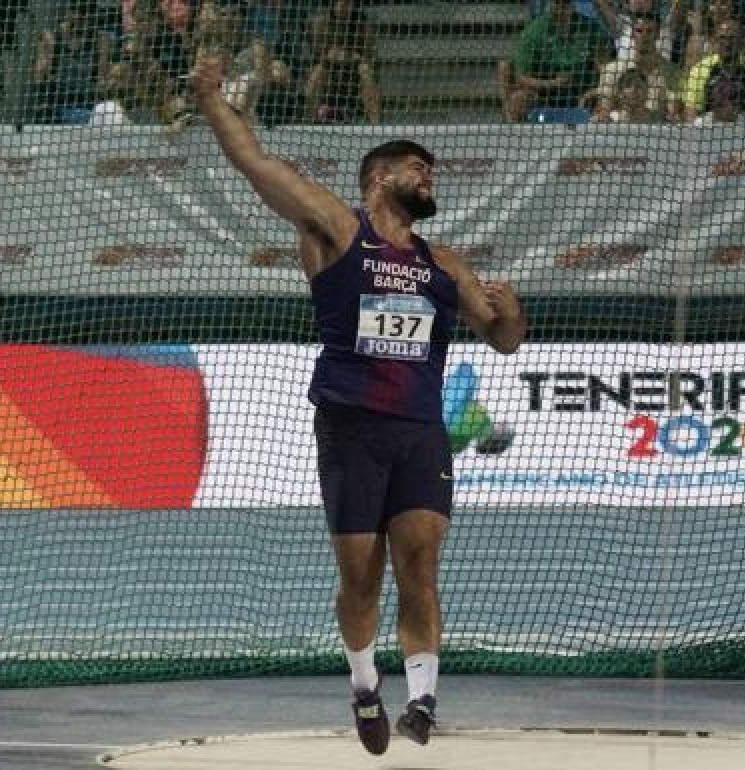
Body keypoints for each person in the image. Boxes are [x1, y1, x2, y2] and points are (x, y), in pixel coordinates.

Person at [191, 51, 528, 755]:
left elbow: (503, 341)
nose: (429, 179)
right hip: (349, 427)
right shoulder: (340, 231)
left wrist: (512, 313)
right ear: (381, 179)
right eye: (418, 170)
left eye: (432, 173)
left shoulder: (446, 265)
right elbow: (254, 162)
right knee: (360, 581)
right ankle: (364, 687)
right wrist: (209, 96)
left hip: (418, 432)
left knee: (420, 561)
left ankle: (425, 702)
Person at [498, 0, 613, 122]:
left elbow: (604, 66)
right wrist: (554, 83)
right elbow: (522, 78)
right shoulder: (535, 31)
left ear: (572, 5)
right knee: (518, 98)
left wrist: (595, 92)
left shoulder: (590, 28)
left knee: (606, 99)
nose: (561, 8)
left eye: (565, 4)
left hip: (583, 91)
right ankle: (512, 130)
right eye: (556, 3)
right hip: (544, 95)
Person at [593, 14, 679, 122]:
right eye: (639, 31)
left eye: (649, 31)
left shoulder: (672, 71)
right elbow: (603, 112)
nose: (644, 35)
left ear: (657, 34)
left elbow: (673, 114)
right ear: (632, 35)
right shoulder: (612, 70)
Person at [680, 18, 745, 122]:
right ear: (715, 40)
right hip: (710, 125)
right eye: (722, 38)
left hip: (742, 125)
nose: (727, 43)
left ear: (742, 41)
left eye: (732, 38)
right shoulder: (700, 70)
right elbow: (691, 112)